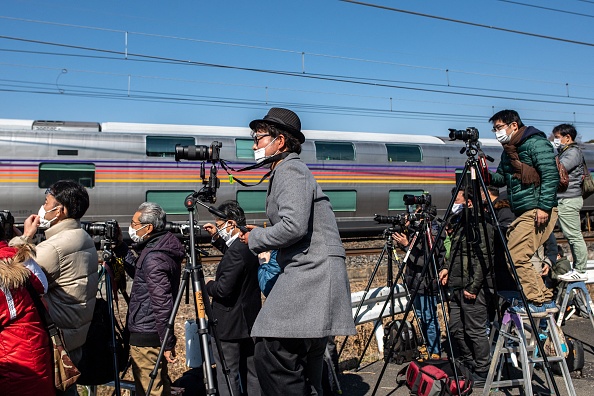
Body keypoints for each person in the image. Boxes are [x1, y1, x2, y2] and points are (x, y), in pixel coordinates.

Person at [239, 107, 356, 396]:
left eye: (259, 138)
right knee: (303, 354)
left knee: (271, 346)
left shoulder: (290, 170)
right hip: (309, 271)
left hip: (311, 273)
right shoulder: (288, 170)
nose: (255, 145)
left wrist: (257, 238)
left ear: (280, 141)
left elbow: (293, 227)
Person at [10, 180, 99, 395]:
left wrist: (25, 237)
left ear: (59, 211)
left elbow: (12, 274)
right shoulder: (82, 236)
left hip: (56, 339)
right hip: (74, 335)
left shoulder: (56, 247)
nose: (42, 207)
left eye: (46, 202)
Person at [489, 110, 559, 316]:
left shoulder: (535, 143)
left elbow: (550, 175)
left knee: (517, 254)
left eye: (499, 127)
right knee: (517, 254)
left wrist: (544, 207)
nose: (497, 132)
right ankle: (544, 299)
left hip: (537, 208)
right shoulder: (509, 150)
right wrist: (485, 173)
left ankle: (536, 301)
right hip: (523, 209)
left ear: (514, 125)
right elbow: (501, 178)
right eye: (494, 129)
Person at [116, 202, 184, 396]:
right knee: (159, 387)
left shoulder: (154, 257)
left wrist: (168, 343)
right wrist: (121, 247)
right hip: (152, 330)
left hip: (147, 334)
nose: (131, 227)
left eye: (134, 223)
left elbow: (162, 303)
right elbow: (140, 273)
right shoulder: (159, 248)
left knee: (150, 390)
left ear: (149, 228)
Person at [202, 200, 261, 396]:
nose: (219, 229)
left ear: (231, 224)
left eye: (220, 226)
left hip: (229, 325)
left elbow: (223, 290)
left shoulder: (237, 251)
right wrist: (217, 239)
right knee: (252, 373)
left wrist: (208, 284)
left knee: (228, 374)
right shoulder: (248, 245)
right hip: (249, 321)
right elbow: (236, 258)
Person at [439, 189, 494, 382]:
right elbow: (455, 251)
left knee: (475, 330)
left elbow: (483, 258)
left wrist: (473, 286)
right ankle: (469, 362)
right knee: (456, 328)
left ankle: (483, 370)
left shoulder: (480, 223)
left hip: (472, 287)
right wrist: (446, 267)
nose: (454, 202)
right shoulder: (462, 222)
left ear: (469, 202)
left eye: (458, 199)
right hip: (456, 284)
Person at [0, 225, 54, 396]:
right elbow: (42, 285)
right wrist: (20, 241)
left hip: (12, 367)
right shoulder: (18, 257)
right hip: (35, 354)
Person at [392, 206, 442, 360]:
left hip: (426, 282)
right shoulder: (417, 231)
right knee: (421, 317)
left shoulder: (431, 233)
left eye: (416, 213)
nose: (412, 216)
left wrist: (407, 245)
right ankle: (428, 347)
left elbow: (425, 261)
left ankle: (434, 352)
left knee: (428, 318)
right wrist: (404, 235)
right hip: (414, 282)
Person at [552, 124, 589, 282]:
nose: (555, 140)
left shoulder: (572, 152)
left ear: (568, 138)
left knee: (574, 236)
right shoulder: (566, 151)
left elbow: (561, 168)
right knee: (571, 235)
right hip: (566, 198)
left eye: (557, 137)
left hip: (569, 198)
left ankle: (580, 270)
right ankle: (577, 268)